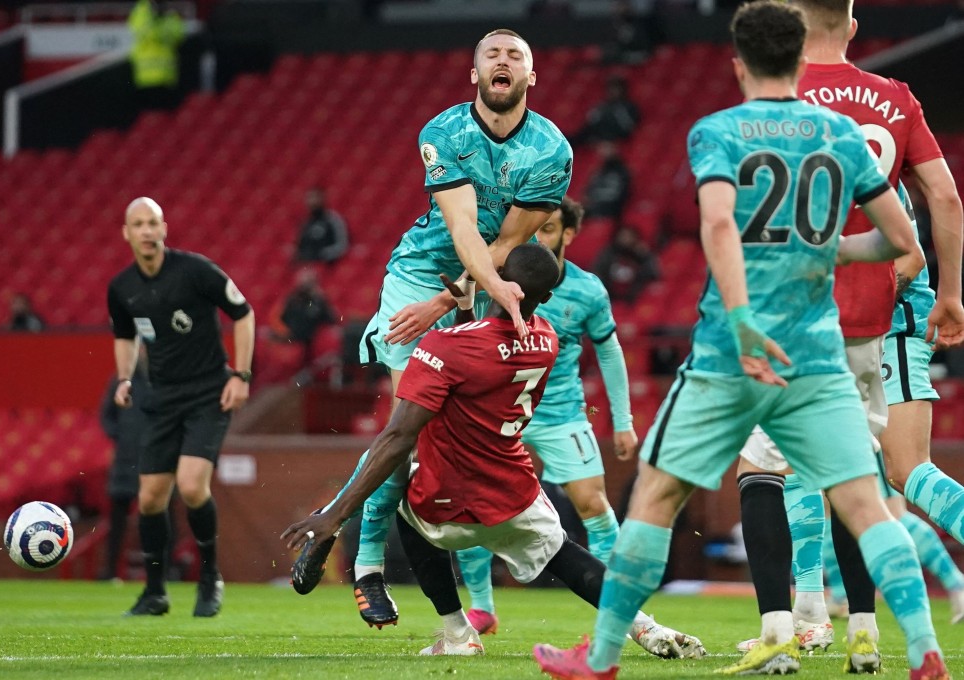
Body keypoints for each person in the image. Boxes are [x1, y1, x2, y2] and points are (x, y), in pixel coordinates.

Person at [533, 3, 949, 679]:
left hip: (736, 347)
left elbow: (721, 227)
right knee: (866, 500)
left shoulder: (717, 132)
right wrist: (825, 255)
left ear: (737, 62)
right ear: (799, 58)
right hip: (820, 350)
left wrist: (744, 313)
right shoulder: (840, 132)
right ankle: (926, 654)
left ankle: (603, 658)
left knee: (657, 495)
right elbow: (902, 240)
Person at [282, 243, 704, 659]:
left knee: (404, 496)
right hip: (513, 494)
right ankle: (647, 627)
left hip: (446, 504)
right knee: (565, 555)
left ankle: (456, 632)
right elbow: (485, 358)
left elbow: (397, 437)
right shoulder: (547, 339)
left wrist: (333, 516)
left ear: (498, 283)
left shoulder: (443, 347)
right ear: (547, 296)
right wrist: (466, 311)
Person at [289, 28, 574, 629]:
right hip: (421, 275)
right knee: (407, 425)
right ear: (474, 75)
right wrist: (443, 299)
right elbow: (463, 228)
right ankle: (364, 566)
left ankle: (452, 597)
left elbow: (507, 244)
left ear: (531, 76)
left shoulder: (553, 150)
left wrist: (458, 300)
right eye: (490, 56)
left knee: (441, 439)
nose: (502, 62)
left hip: (478, 283)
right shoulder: (443, 134)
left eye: (514, 56)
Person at [731, 0, 964, 668]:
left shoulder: (777, 94)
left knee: (768, 471)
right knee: (860, 478)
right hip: (875, 319)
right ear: (853, 27)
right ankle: (837, 622)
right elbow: (943, 199)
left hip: (798, 315)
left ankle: (785, 630)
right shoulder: (894, 97)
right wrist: (949, 293)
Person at [453, 197, 643, 638]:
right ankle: (482, 608)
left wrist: (623, 419)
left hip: (561, 413)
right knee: (471, 508)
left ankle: (616, 607)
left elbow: (610, 351)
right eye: (533, 227)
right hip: (497, 413)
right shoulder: (491, 276)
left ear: (569, 234)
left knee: (593, 504)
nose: (538, 236)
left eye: (550, 229)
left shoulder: (588, 289)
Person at [107, 196, 255, 617]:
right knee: (151, 497)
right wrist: (123, 379)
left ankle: (210, 577)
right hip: (161, 397)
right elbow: (123, 336)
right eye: (138, 224)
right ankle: (155, 592)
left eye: (153, 223)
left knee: (191, 486)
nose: (147, 231)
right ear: (127, 233)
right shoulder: (122, 289)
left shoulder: (195, 271)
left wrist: (240, 376)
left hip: (209, 393)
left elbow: (243, 314)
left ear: (164, 228)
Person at [98, 346, 153, 581]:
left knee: (158, 517)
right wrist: (121, 436)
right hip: (125, 460)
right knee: (117, 519)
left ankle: (162, 571)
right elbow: (106, 415)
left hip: (155, 459)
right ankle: (110, 571)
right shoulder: (122, 381)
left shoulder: (163, 379)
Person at [269, 267, 338, 369]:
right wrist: (283, 332)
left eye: (308, 284)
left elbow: (332, 319)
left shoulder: (319, 301)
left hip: (308, 339)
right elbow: (280, 317)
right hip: (290, 335)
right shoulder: (292, 299)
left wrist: (321, 298)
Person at [128, 0, 185, 111]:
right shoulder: (141, 10)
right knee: (149, 119)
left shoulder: (170, 12)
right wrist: (156, 21)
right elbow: (145, 32)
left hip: (167, 77)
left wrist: (158, 28)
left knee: (167, 119)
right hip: (145, 78)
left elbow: (178, 35)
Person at [592, 226, 659, 304]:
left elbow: (652, 276)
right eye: (623, 236)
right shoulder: (608, 254)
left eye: (629, 236)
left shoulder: (642, 257)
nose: (625, 239)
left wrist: (645, 257)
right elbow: (597, 273)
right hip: (609, 298)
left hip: (634, 300)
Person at [570, 76, 640, 145]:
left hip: (616, 136)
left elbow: (628, 126)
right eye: (610, 89)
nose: (612, 92)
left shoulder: (628, 106)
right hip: (597, 134)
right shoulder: (604, 105)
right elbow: (591, 119)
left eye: (615, 89)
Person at [294, 188, 350, 264]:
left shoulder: (333, 219)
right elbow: (299, 246)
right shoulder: (305, 222)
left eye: (315, 197)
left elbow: (343, 245)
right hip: (307, 265)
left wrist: (322, 254)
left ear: (322, 199)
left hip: (329, 265)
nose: (312, 201)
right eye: (309, 198)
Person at [583, 141, 632, 224]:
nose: (602, 151)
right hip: (592, 212)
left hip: (608, 214)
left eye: (606, 147)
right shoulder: (600, 169)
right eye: (601, 147)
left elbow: (617, 196)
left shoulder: (620, 170)